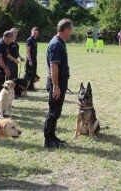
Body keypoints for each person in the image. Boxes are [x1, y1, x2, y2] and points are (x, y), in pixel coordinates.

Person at [44, 19, 73, 148]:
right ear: (65, 29)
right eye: (70, 30)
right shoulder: (56, 44)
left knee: (56, 111)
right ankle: (48, 140)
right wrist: (55, 86)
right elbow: (53, 66)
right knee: (53, 112)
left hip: (60, 83)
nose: (71, 33)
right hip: (56, 84)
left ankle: (52, 136)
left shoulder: (60, 42)